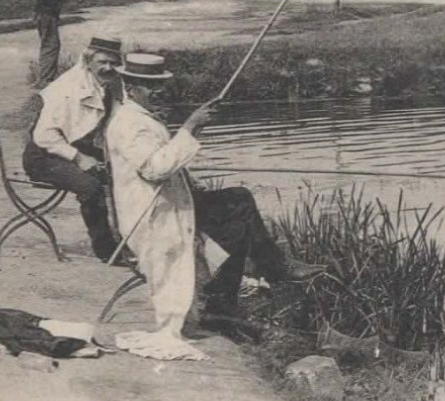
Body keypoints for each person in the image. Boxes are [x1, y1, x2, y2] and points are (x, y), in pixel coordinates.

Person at [105, 53, 323, 358]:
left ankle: (241, 292)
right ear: (130, 85)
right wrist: (191, 126)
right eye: (149, 86)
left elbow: (164, 163)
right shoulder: (130, 123)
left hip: (171, 206)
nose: (159, 92)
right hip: (153, 218)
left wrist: (191, 174)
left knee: (239, 204)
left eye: (161, 85)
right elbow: (154, 169)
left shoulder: (140, 117)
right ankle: (256, 282)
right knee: (237, 211)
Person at [23, 35, 127, 263]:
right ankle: (107, 251)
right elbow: (44, 135)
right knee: (91, 187)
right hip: (43, 156)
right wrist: (79, 158)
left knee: (126, 171)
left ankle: (130, 238)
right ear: (88, 60)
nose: (108, 68)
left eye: (113, 62)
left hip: (72, 148)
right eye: (102, 62)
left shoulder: (107, 84)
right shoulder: (69, 87)